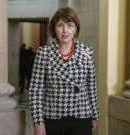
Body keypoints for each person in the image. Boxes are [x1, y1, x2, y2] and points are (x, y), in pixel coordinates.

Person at [29, 7, 99, 135]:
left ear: (76, 28)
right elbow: (36, 90)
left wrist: (95, 115)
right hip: (52, 117)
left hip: (81, 116)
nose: (65, 30)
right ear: (54, 29)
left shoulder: (87, 52)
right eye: (60, 25)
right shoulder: (44, 53)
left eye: (70, 25)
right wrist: (38, 122)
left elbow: (91, 86)